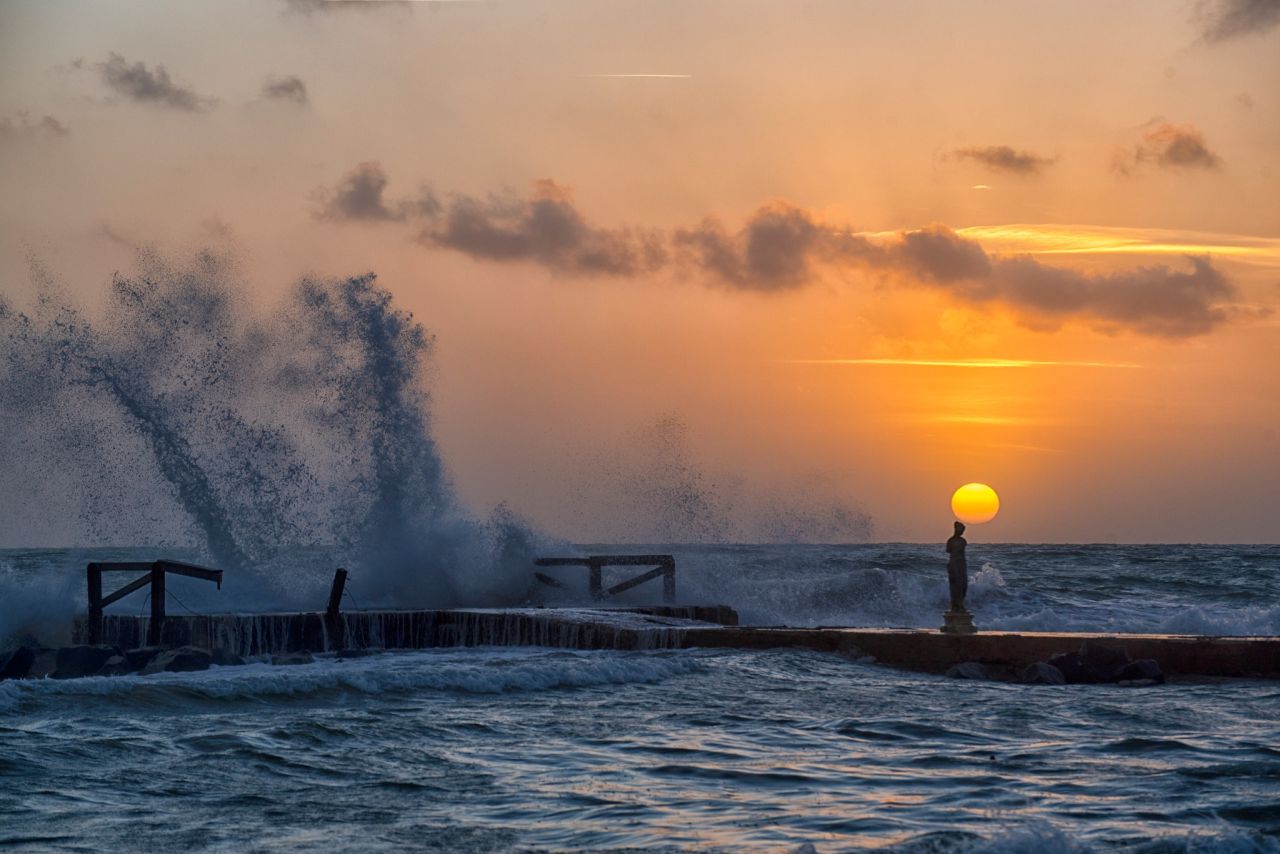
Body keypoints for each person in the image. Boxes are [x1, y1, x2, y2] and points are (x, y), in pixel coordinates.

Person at [946, 521, 968, 612]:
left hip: (962, 564)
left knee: (963, 585)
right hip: (953, 564)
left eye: (962, 530)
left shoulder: (963, 541)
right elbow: (948, 550)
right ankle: (955, 606)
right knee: (955, 585)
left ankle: (961, 603)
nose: (962, 532)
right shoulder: (951, 541)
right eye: (960, 530)